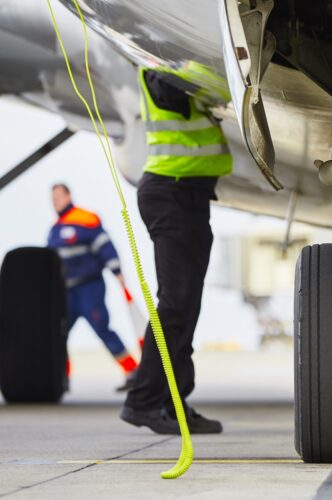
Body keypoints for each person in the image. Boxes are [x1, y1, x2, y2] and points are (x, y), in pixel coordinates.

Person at [120, 67, 232, 435]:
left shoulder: (179, 64)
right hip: (171, 192)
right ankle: (143, 401)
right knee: (175, 303)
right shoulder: (163, 65)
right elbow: (182, 87)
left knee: (184, 306)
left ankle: (172, 403)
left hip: (188, 194)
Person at [47, 184, 138, 391]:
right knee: (59, 334)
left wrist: (117, 272)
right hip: (67, 292)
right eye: (53, 198)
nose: (56, 202)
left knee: (102, 328)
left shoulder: (85, 220)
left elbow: (104, 245)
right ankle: (62, 377)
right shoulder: (55, 230)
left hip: (89, 288)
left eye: (59, 197)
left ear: (69, 195)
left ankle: (133, 371)